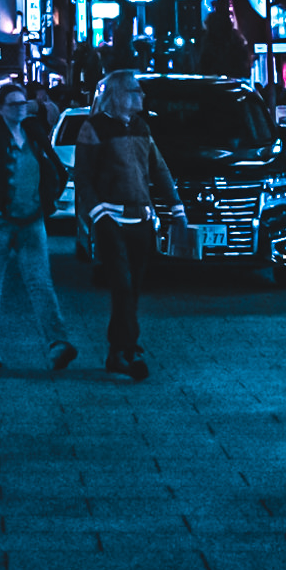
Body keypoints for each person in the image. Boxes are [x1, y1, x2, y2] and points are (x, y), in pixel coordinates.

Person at [78, 71, 184, 383]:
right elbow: (83, 175)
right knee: (123, 285)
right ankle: (127, 350)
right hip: (112, 218)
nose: (141, 96)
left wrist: (176, 206)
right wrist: (98, 214)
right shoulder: (94, 127)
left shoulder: (140, 127)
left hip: (141, 218)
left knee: (133, 287)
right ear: (119, 94)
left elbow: (158, 166)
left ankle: (119, 350)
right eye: (135, 91)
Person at [0, 81, 73, 370]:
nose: (20, 108)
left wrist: (47, 200)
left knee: (41, 283)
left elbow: (54, 166)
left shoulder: (34, 133)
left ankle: (57, 343)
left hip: (31, 219)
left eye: (22, 102)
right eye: (13, 103)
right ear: (0, 108)